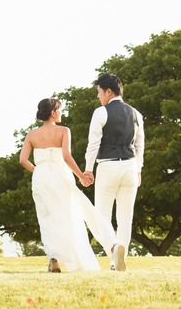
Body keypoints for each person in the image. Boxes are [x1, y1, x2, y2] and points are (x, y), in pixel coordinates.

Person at [19, 97, 116, 272]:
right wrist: (81, 176)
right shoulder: (64, 131)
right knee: (73, 213)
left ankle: (53, 259)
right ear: (53, 112)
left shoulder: (32, 135)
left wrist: (39, 172)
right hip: (60, 174)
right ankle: (110, 245)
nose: (61, 113)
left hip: (40, 178)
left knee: (46, 218)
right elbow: (66, 156)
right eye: (60, 110)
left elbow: (23, 160)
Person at [82, 73, 144, 272]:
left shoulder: (100, 112)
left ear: (108, 91)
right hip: (130, 167)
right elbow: (140, 144)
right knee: (126, 217)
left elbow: (93, 144)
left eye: (99, 92)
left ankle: (114, 249)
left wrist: (88, 170)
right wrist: (139, 170)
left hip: (108, 167)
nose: (99, 97)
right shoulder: (136, 113)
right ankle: (118, 260)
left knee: (102, 216)